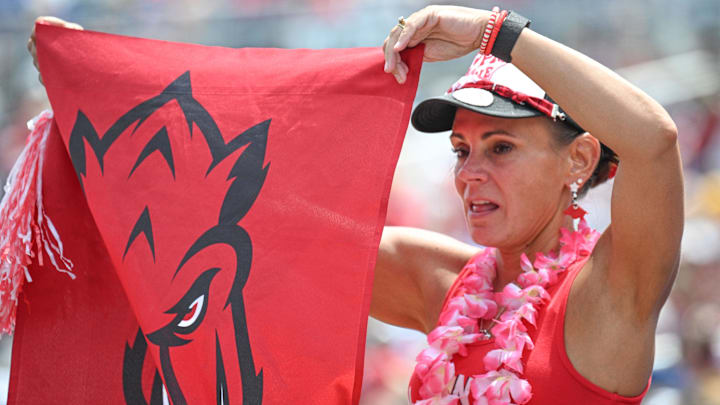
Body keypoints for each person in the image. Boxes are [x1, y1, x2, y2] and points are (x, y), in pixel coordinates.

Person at [28, 6, 682, 404]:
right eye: (461, 150)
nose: (470, 174)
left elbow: (654, 142)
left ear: (580, 159)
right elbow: (249, 224)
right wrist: (101, 85)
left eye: (501, 147)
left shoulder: (608, 297)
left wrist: (493, 32)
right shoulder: (443, 284)